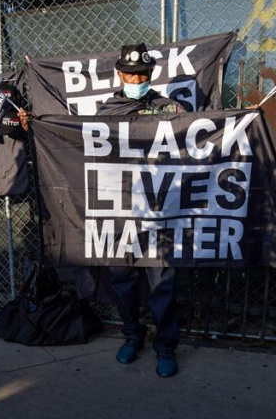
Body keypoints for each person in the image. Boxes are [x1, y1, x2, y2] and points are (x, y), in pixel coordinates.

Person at [96, 43, 184, 378]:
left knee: (162, 280)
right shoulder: (105, 112)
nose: (137, 79)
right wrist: (35, 126)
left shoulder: (171, 109)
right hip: (118, 209)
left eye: (143, 74)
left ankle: (166, 345)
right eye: (131, 74)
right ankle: (132, 334)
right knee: (121, 278)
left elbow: (197, 142)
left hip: (159, 209)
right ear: (119, 74)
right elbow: (77, 145)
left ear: (151, 74)